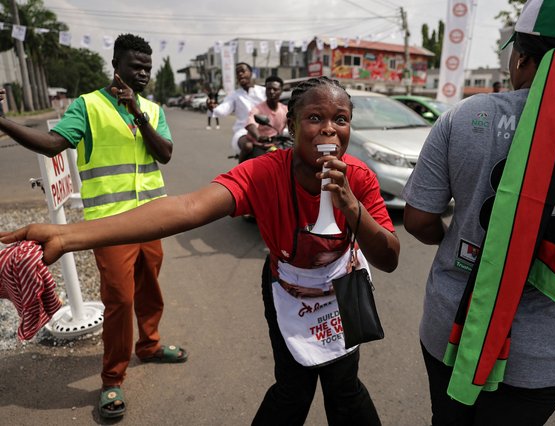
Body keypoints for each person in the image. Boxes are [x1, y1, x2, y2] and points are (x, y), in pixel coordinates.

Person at [1, 76, 400, 425]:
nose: (329, 130)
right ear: (292, 126)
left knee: (343, 386)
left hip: (340, 286)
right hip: (287, 287)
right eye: (314, 118)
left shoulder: (359, 178)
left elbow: (389, 257)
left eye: (340, 119)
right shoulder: (264, 172)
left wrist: (353, 209)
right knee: (293, 386)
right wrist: (67, 236)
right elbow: (187, 208)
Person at [402, 1, 555, 425]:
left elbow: (418, 220)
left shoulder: (465, 116)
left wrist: (455, 238)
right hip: (543, 360)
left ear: (523, 58)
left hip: (452, 333)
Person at [0, 33, 187, 419]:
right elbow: (53, 144)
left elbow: (165, 154)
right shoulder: (88, 106)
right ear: (115, 66)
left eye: (147, 69)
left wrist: (137, 112)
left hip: (152, 218)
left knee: (150, 287)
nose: (142, 75)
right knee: (119, 299)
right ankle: (112, 379)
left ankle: (149, 346)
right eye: (135, 67)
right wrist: (2, 123)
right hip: (111, 225)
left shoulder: (151, 108)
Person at [212, 63, 266, 155]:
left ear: (251, 73)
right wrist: (214, 108)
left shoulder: (263, 91)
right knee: (247, 146)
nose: (240, 74)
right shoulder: (234, 95)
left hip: (266, 129)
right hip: (243, 131)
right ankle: (241, 168)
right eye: (238, 73)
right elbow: (224, 109)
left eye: (243, 71)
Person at [237, 75, 288, 162]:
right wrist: (258, 136)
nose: (271, 92)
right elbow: (251, 124)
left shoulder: (285, 109)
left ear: (281, 91)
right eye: (269, 89)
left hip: (276, 145)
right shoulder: (257, 109)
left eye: (275, 89)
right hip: (259, 144)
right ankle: (240, 170)